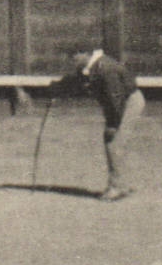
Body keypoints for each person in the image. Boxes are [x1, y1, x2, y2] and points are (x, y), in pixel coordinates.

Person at [52, 46, 145, 201]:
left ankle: (116, 187)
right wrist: (57, 87)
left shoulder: (105, 68)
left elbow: (115, 98)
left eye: (75, 56)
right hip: (120, 102)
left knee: (113, 142)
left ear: (85, 53)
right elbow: (77, 80)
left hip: (127, 103)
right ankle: (122, 184)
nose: (72, 60)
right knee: (113, 142)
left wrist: (113, 124)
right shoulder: (91, 65)